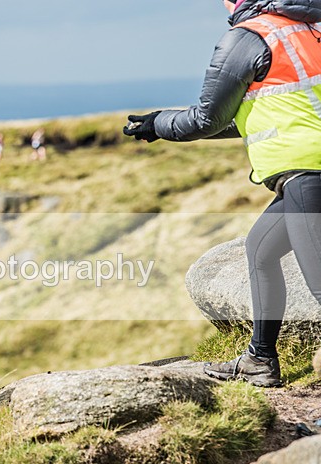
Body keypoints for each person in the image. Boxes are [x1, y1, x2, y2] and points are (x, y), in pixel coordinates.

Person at [123, 0, 321, 387]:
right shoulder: (309, 29)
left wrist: (158, 125)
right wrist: (162, 123)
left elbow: (207, 117)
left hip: (307, 173)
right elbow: (262, 110)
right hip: (308, 175)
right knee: (261, 251)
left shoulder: (249, 37)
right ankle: (259, 360)